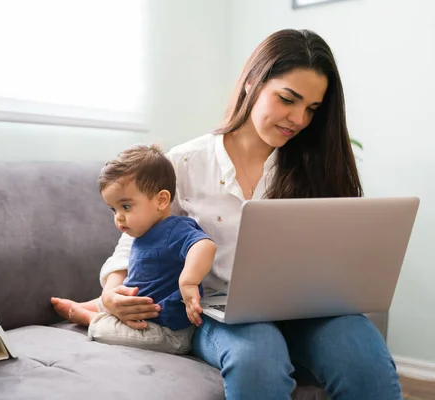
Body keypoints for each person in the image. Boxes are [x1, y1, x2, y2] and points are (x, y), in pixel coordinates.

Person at [55, 28, 403, 399]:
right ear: (253, 82)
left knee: (363, 355)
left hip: (309, 311)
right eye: (288, 99)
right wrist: (111, 293)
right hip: (219, 313)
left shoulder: (316, 166)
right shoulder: (186, 163)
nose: (299, 119)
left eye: (312, 109)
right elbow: (132, 242)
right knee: (257, 358)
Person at [52, 144, 216, 355]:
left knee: (104, 331)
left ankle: (90, 318)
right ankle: (95, 306)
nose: (118, 217)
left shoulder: (175, 229)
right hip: (140, 313)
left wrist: (189, 281)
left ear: (161, 200)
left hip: (169, 330)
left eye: (126, 207)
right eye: (114, 209)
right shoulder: (141, 233)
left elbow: (204, 245)